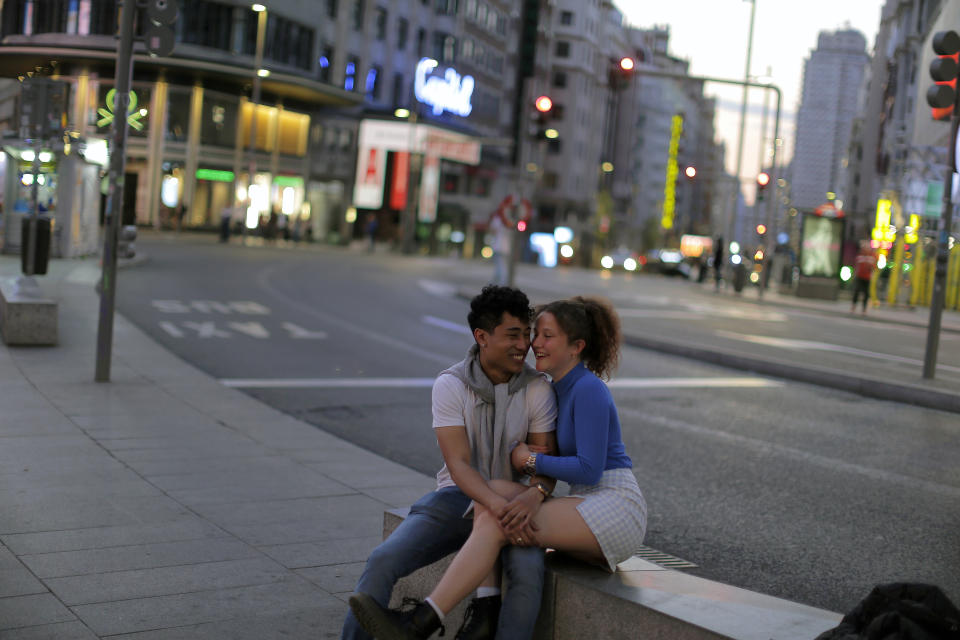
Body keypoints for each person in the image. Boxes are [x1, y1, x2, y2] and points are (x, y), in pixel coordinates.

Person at [350, 296, 647, 640]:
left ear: (576, 347)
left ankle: (422, 621)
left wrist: (528, 460)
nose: (534, 344)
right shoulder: (558, 388)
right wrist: (526, 492)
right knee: (494, 497)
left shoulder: (588, 389)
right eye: (536, 334)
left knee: (501, 522)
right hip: (588, 505)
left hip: (616, 507)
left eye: (546, 336)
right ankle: (478, 610)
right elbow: (472, 471)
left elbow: (591, 469)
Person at [343, 285, 558, 640]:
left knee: (527, 573)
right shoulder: (451, 384)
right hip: (456, 498)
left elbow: (545, 469)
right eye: (513, 335)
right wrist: (493, 505)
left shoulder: (538, 388)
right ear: (482, 337)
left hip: (517, 506)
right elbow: (458, 464)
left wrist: (531, 495)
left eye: (527, 334)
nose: (525, 345)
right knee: (383, 559)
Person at [851, 242, 876, 314]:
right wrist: (854, 274)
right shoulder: (860, 256)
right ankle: (853, 306)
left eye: (867, 248)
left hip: (867, 277)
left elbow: (874, 267)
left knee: (866, 293)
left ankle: (864, 309)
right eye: (864, 248)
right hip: (859, 276)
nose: (865, 249)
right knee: (857, 291)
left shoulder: (872, 256)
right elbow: (856, 266)